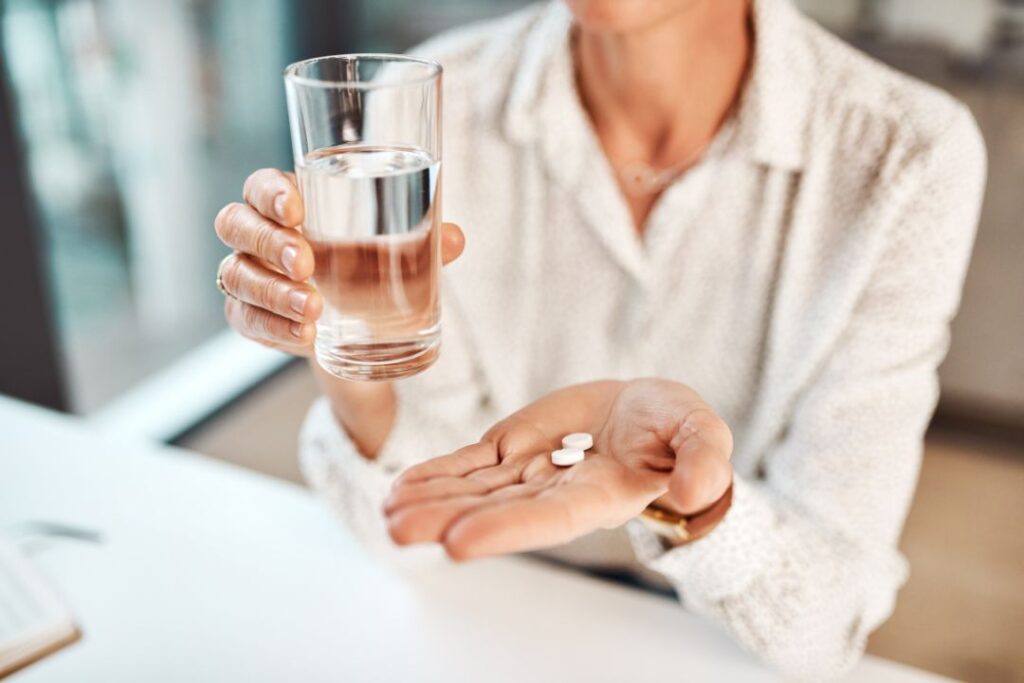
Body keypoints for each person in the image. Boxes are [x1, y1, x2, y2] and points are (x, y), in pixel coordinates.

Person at [212, 0, 986, 678]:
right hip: (494, 611)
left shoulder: (905, 153)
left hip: (716, 640)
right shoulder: (434, 101)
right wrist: (348, 365)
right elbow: (413, 521)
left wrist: (697, 504)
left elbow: (825, 620)